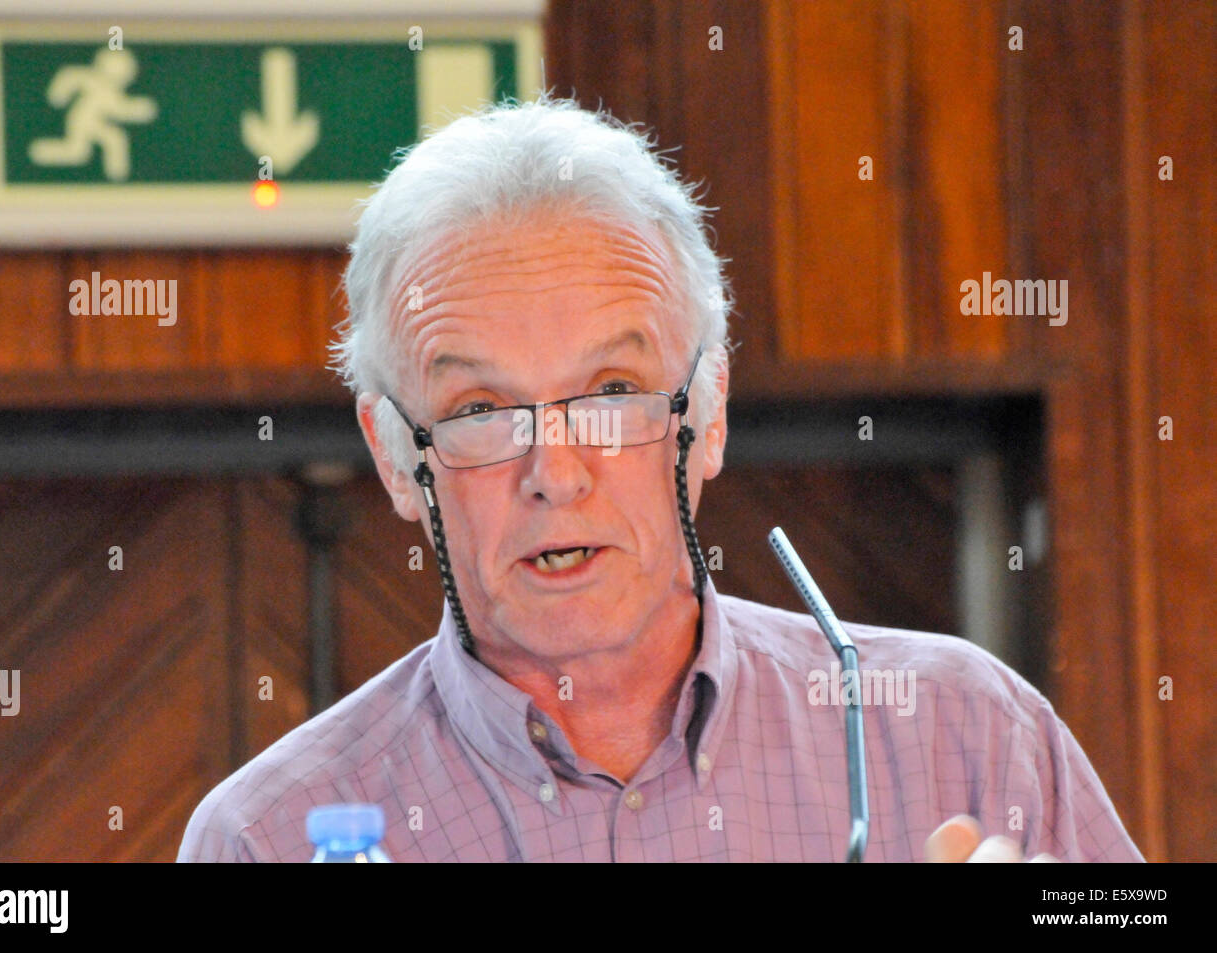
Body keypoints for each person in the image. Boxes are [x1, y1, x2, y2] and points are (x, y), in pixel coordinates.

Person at [177, 96, 1143, 862]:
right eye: (479, 410)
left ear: (708, 413)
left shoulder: (966, 735)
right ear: (394, 455)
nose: (555, 473)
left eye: (613, 392)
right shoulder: (266, 839)